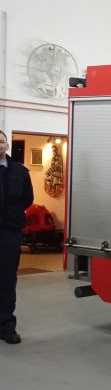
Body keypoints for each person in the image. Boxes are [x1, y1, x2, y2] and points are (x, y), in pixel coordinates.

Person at [0, 130, 34, 345]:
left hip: (10, 233)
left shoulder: (20, 172)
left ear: (7, 145)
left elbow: (28, 199)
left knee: (7, 281)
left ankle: (6, 327)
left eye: (1, 141)